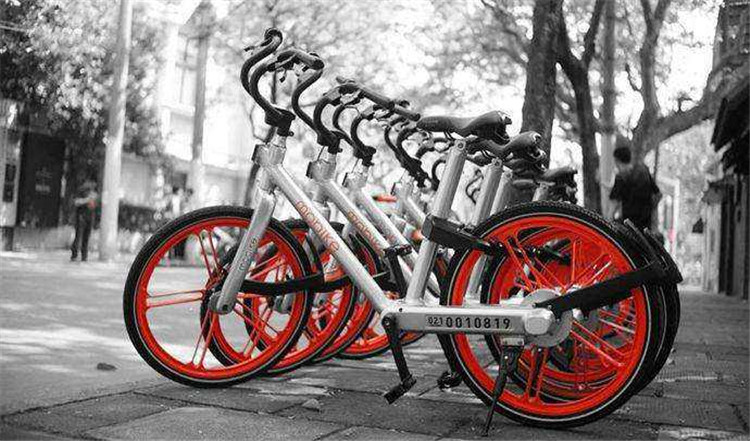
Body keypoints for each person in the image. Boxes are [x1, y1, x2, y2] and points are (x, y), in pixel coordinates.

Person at [608, 145, 661, 231]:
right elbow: (658, 195)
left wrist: (609, 227)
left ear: (617, 161)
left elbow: (612, 207)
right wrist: (649, 209)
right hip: (645, 228)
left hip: (629, 228)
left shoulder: (620, 178)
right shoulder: (644, 171)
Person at [71, 180, 98, 262]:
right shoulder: (81, 190)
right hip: (81, 216)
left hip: (90, 216)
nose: (93, 185)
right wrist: (87, 199)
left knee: (86, 237)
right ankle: (74, 255)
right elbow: (76, 202)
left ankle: (84, 256)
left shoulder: (94, 193)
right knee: (78, 236)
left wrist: (94, 202)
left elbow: (94, 205)